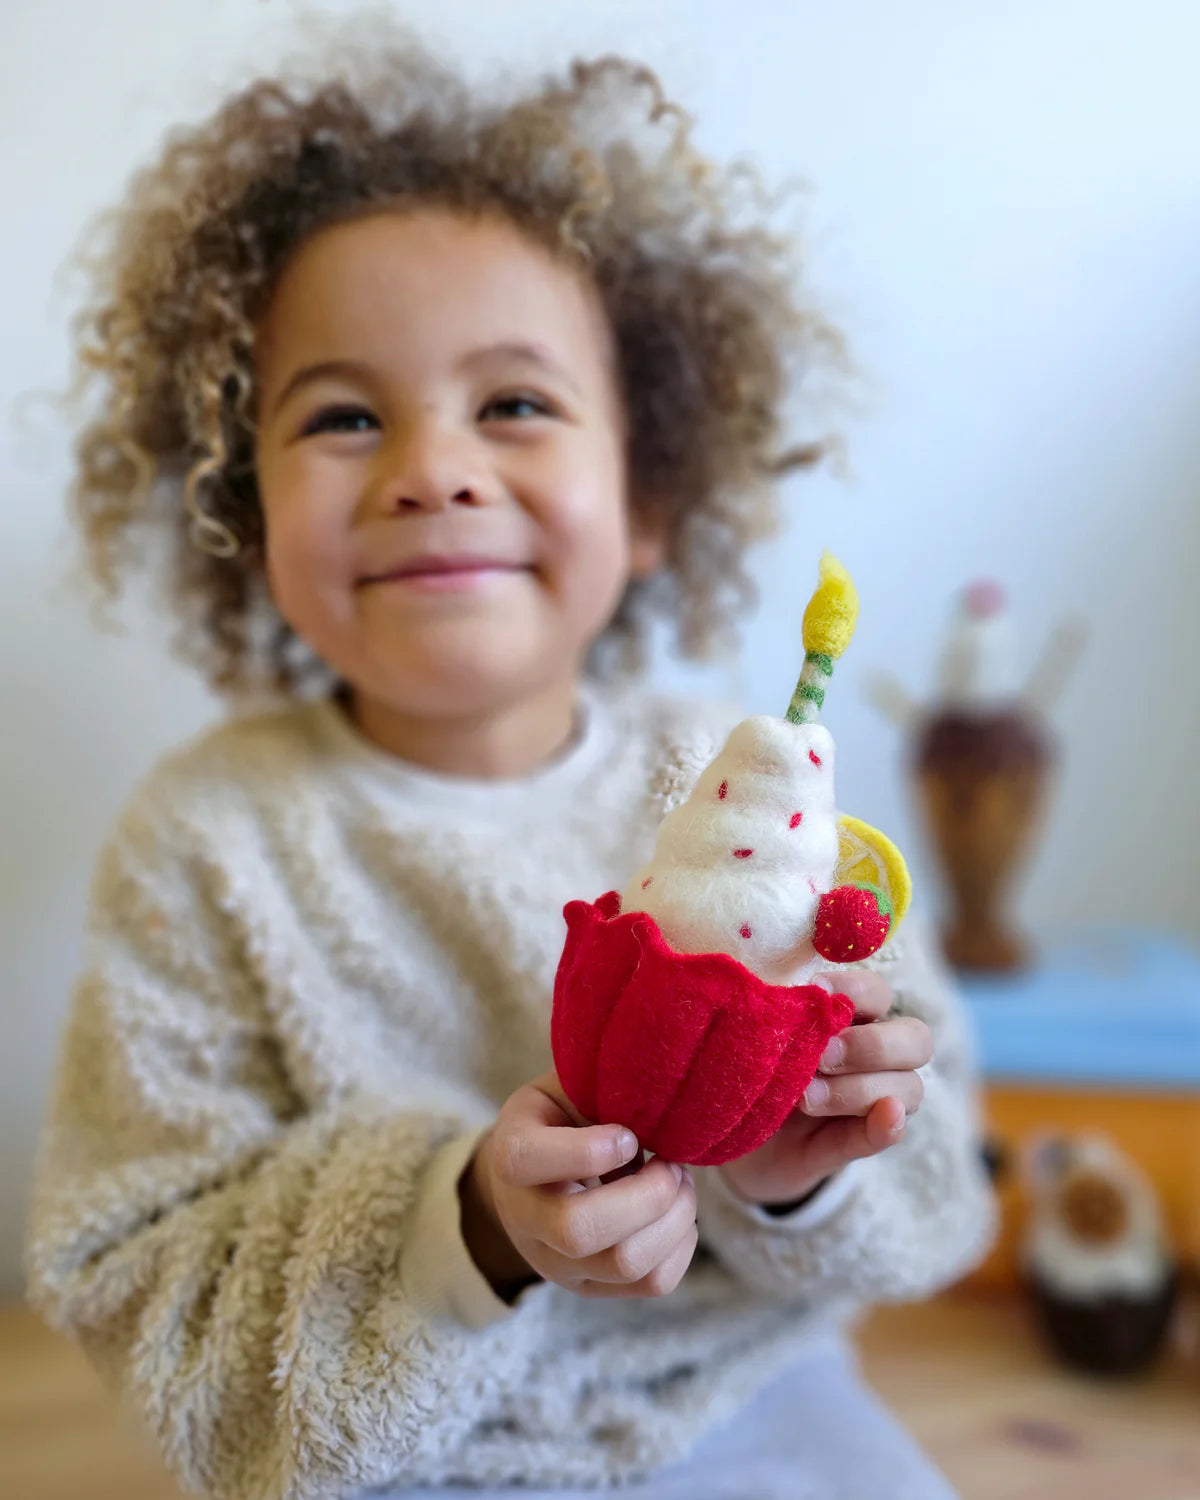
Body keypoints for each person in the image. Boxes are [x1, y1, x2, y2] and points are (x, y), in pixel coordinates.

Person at [26, 30, 994, 1500]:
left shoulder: (742, 791)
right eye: (344, 415)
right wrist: (465, 1225)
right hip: (381, 1449)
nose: (433, 467)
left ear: (650, 495)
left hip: (738, 1390)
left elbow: (931, 1176)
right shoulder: (205, 842)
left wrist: (798, 1171)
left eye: (516, 404)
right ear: (245, 508)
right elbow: (135, 1256)